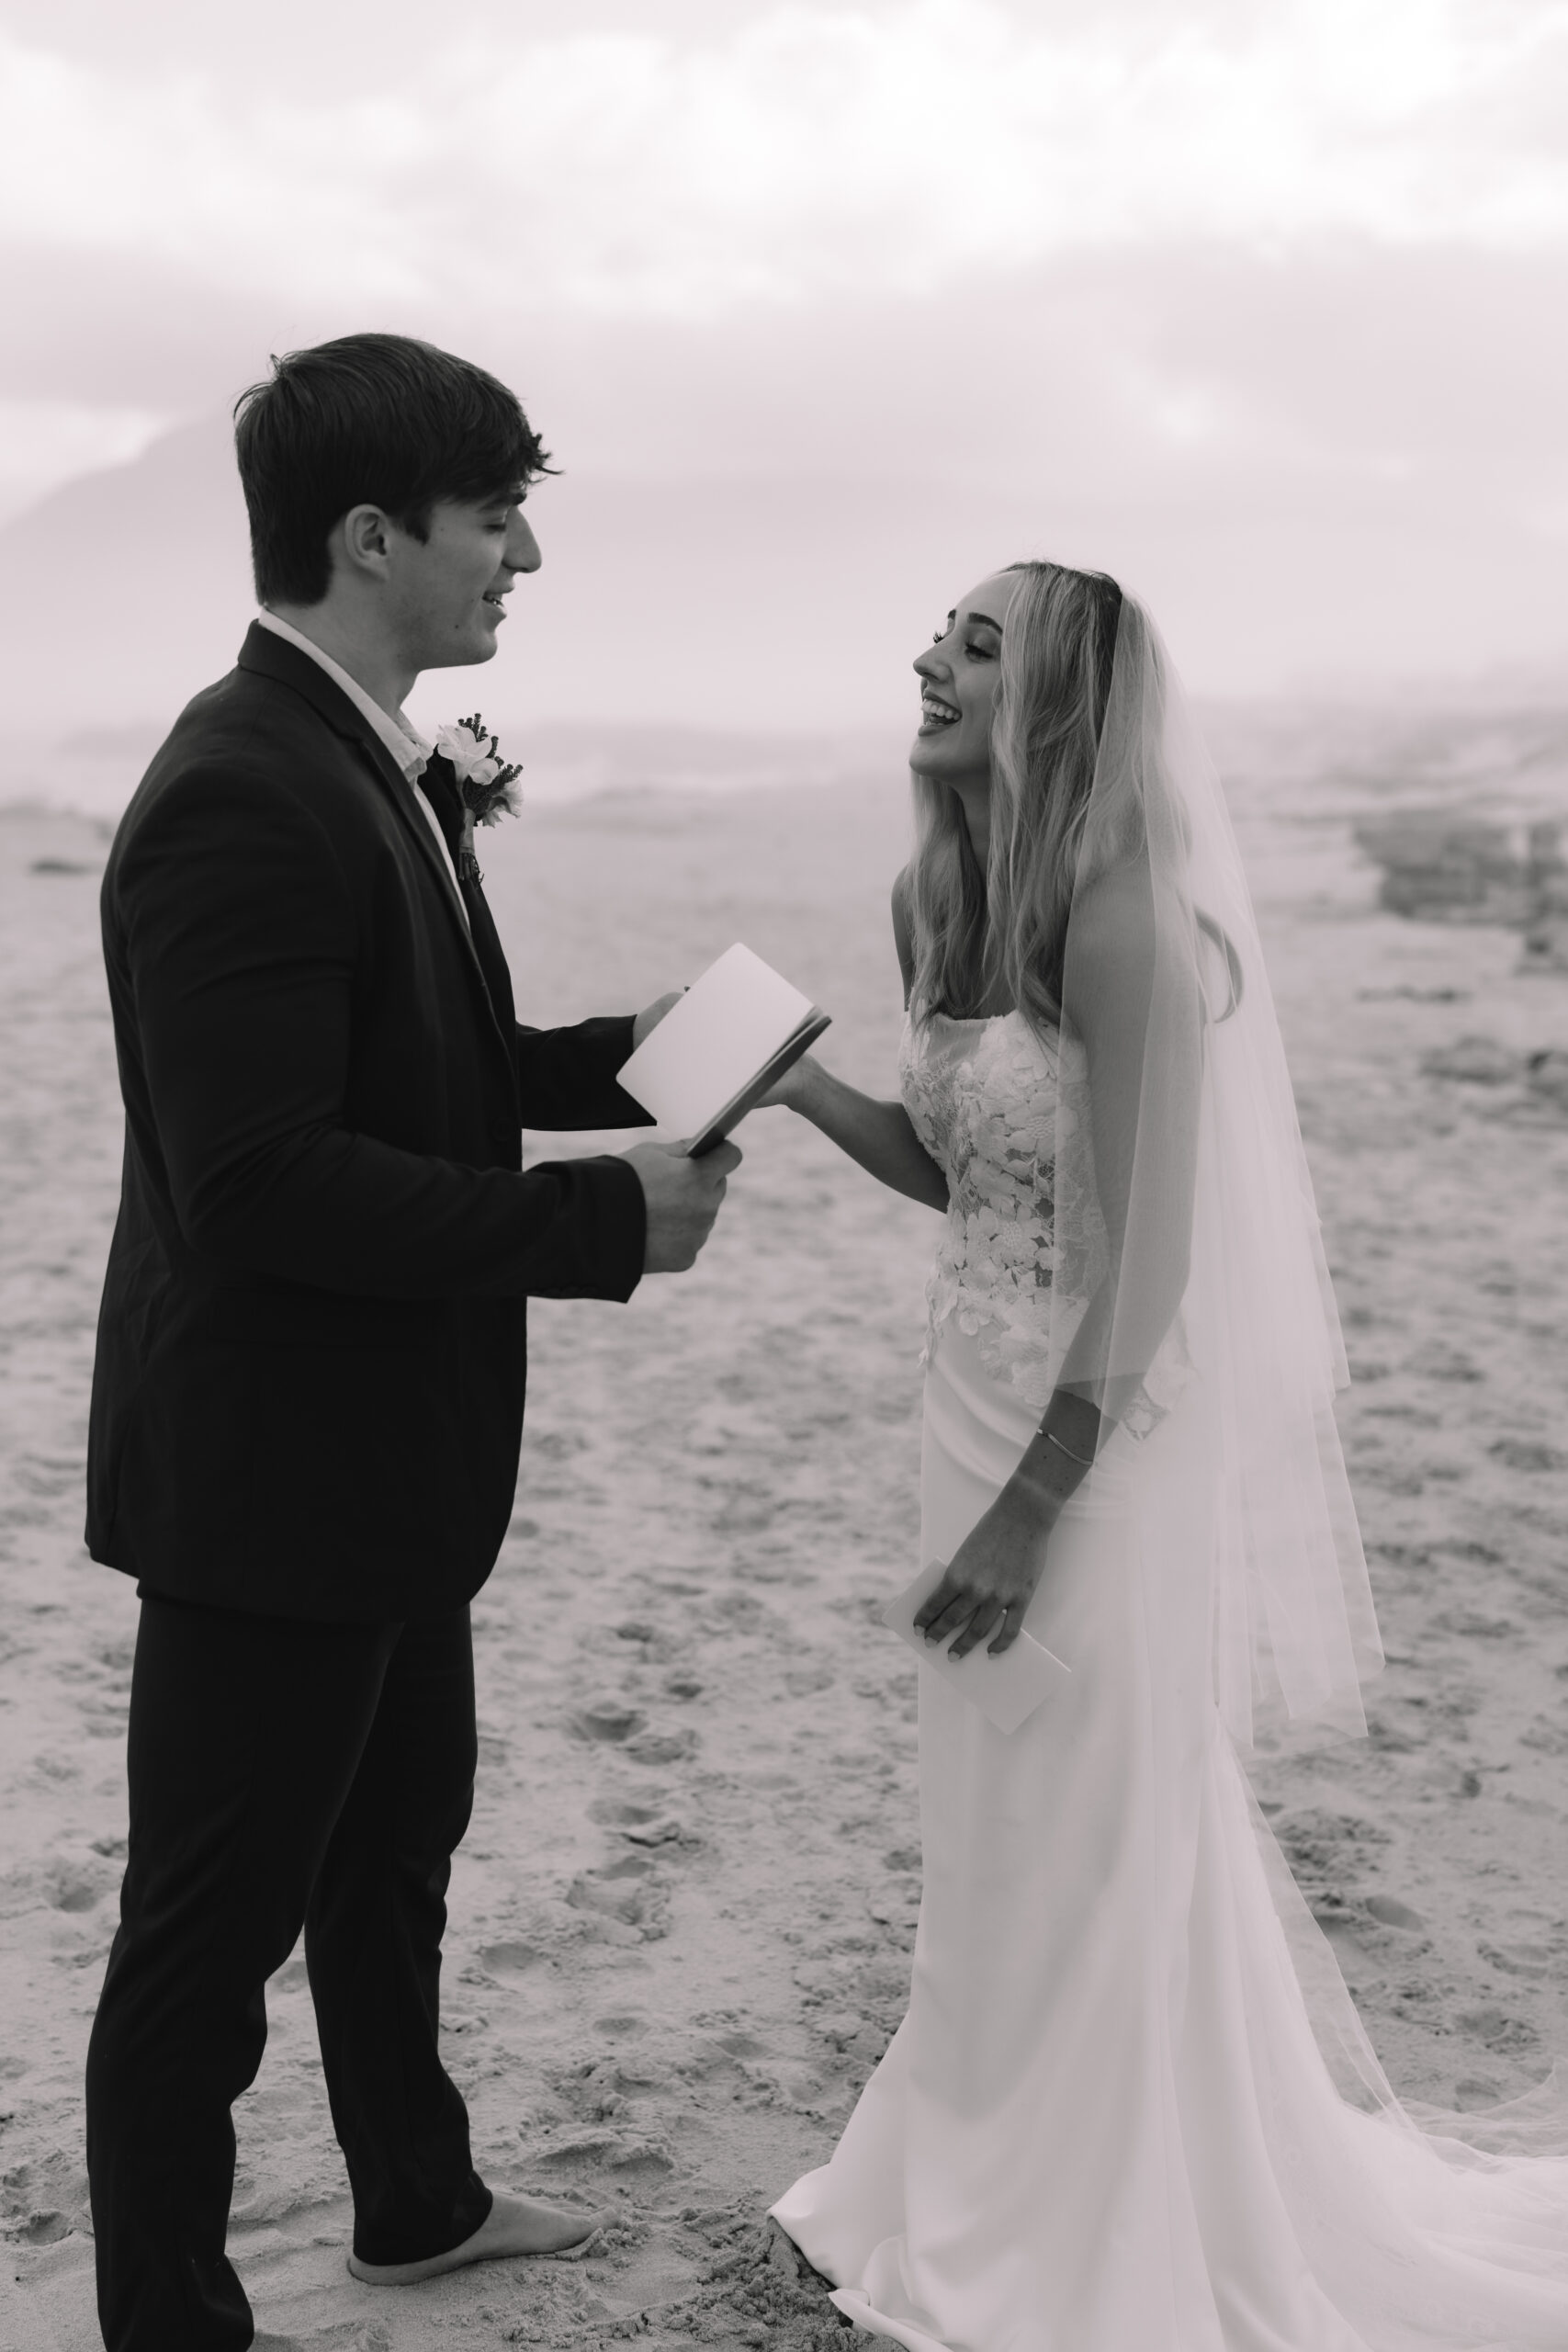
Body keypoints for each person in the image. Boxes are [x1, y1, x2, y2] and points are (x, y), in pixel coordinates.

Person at [765, 560, 1568, 2349]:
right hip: (963, 1402)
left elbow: (1142, 1261)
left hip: (1097, 1443)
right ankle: (972, 2166)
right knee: (989, 1820)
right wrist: (807, 1092)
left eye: (978, 644)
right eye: (939, 631)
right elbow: (975, 1177)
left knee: (1099, 1819)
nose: (929, 657)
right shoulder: (935, 896)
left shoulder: (1129, 922)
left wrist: (1030, 1506)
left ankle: (1100, 2221)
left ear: (1058, 703)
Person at [82, 331, 739, 2352]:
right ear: (372, 536)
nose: (524, 555)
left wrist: (642, 1060)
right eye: (495, 516)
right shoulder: (240, 788)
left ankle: (416, 2198)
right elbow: (259, 1178)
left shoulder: (366, 752)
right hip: (270, 1480)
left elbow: (420, 1060)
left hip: (390, 1462)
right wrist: (595, 1226)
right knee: (205, 1945)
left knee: (389, 1860)